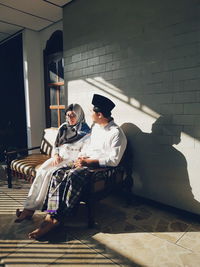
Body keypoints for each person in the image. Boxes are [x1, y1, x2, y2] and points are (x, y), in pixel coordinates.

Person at [28, 94, 127, 239]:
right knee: (57, 173)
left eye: (93, 112)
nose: (90, 115)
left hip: (97, 168)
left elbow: (114, 160)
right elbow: (89, 147)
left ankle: (59, 217)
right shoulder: (96, 128)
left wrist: (88, 162)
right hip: (84, 161)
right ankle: (51, 214)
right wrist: (82, 157)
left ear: (99, 115)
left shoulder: (116, 133)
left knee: (72, 175)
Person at [15, 103, 90, 223]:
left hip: (70, 161)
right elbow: (56, 146)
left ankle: (36, 209)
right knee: (41, 171)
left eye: (73, 116)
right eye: (68, 115)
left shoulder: (86, 132)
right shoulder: (64, 127)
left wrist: (72, 160)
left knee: (49, 175)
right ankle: (28, 208)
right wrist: (55, 155)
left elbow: (84, 153)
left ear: (80, 115)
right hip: (58, 158)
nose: (70, 119)